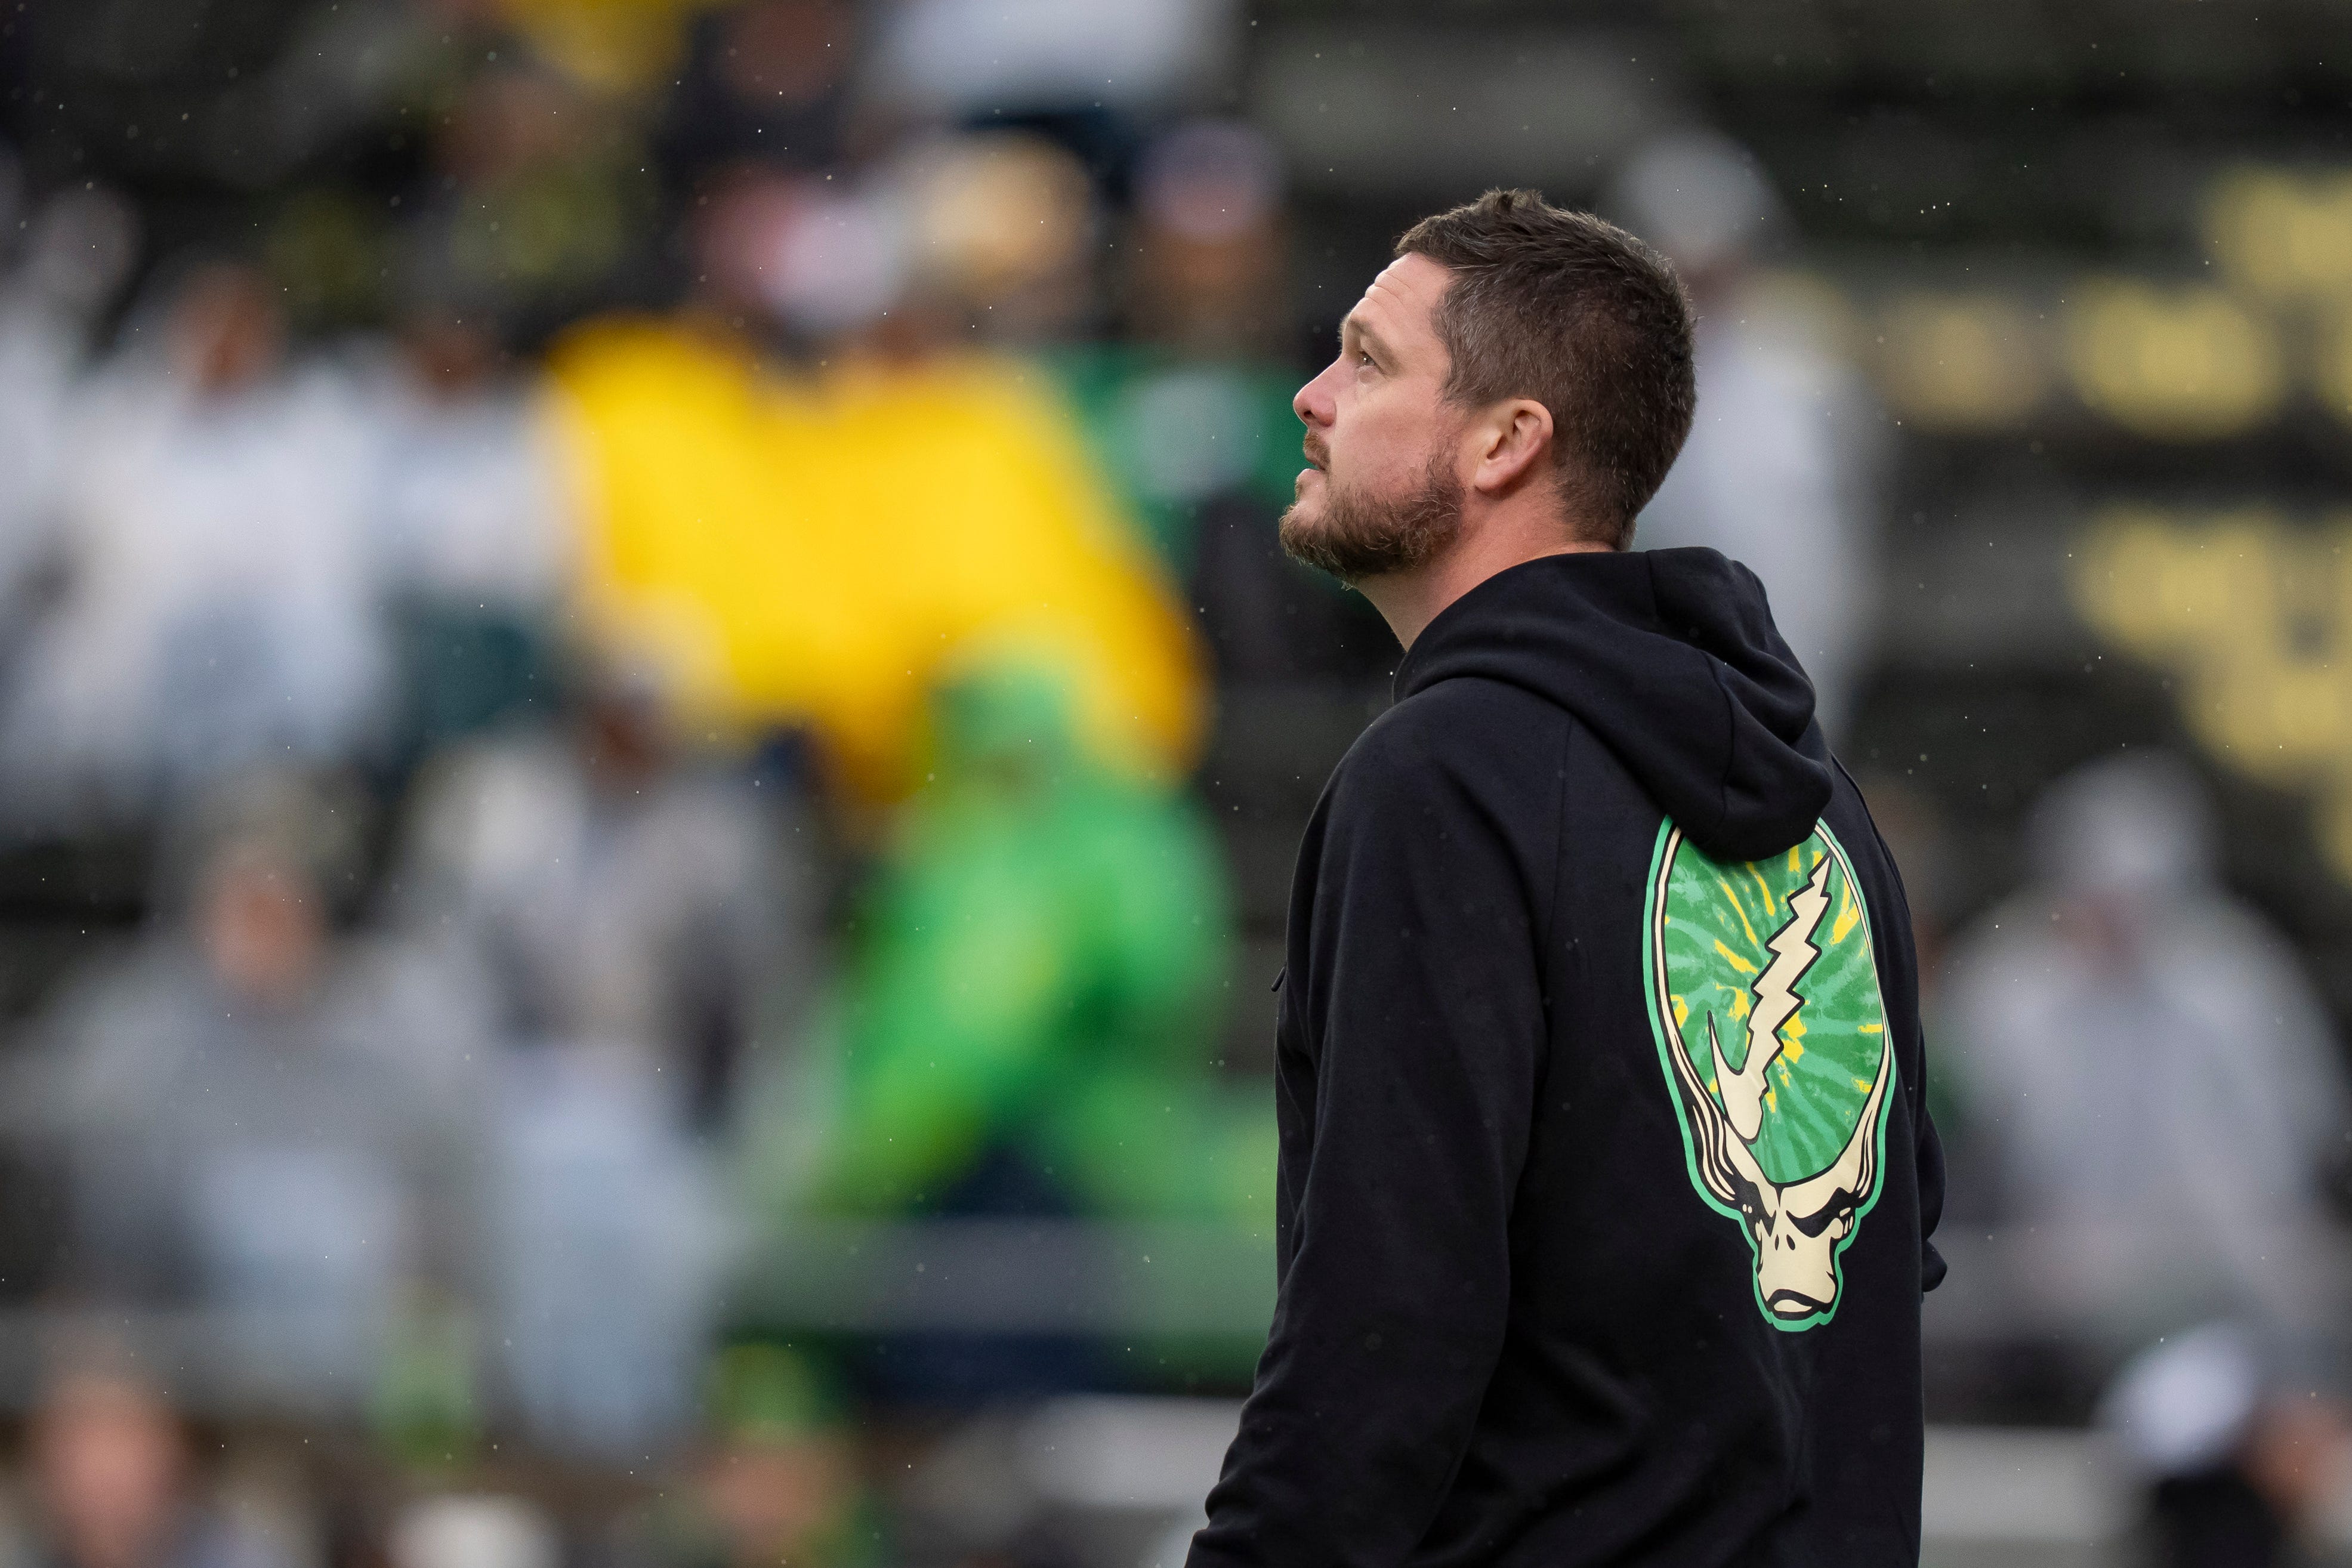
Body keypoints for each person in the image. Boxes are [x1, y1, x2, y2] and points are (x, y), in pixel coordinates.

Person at [1187, 190, 1945, 1566]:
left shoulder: (1443, 777)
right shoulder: (1831, 816)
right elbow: (1881, 1269)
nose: (1309, 396)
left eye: (1364, 362)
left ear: (1504, 442)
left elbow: (1386, 1323)